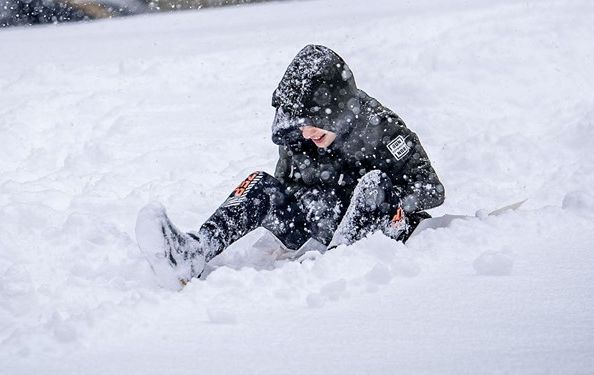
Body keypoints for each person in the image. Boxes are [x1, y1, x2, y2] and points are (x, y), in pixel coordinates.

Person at [135, 45, 445, 289]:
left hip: (379, 231)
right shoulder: (298, 135)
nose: (307, 134)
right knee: (261, 184)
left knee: (374, 183)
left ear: (334, 111)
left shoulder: (381, 127)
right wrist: (309, 206)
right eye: (301, 126)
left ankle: (341, 265)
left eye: (313, 124)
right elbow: (287, 184)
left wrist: (391, 203)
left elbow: (431, 188)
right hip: (322, 222)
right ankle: (193, 253)